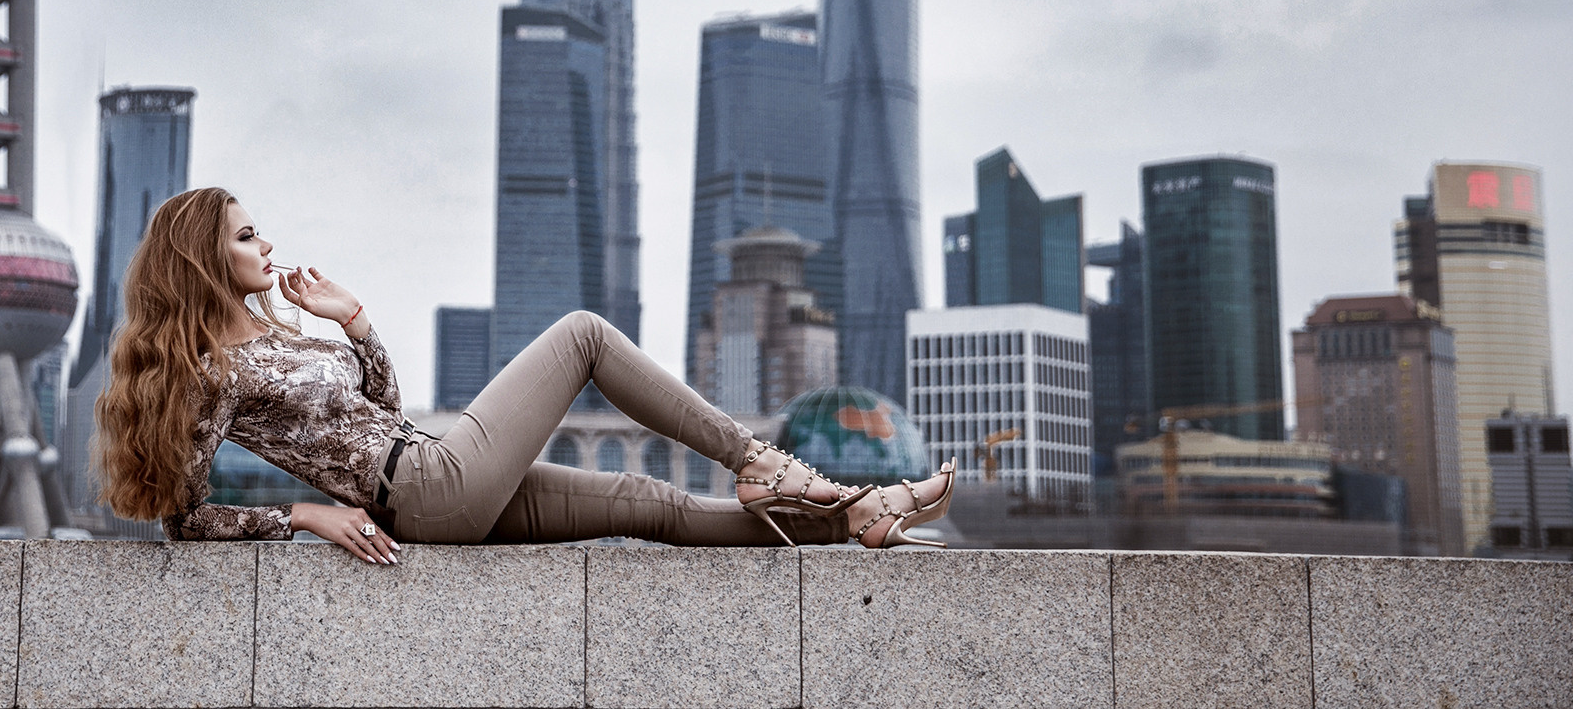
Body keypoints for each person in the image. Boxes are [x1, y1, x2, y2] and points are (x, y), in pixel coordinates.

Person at [93, 187, 955, 560]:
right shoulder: (208, 368)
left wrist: (356, 324)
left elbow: (379, 409)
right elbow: (184, 519)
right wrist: (307, 513)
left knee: (649, 504)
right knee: (582, 331)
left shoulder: (283, 330)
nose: (267, 244)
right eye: (247, 236)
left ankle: (851, 523)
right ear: (201, 252)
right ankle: (759, 458)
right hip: (426, 484)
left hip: (429, 477)